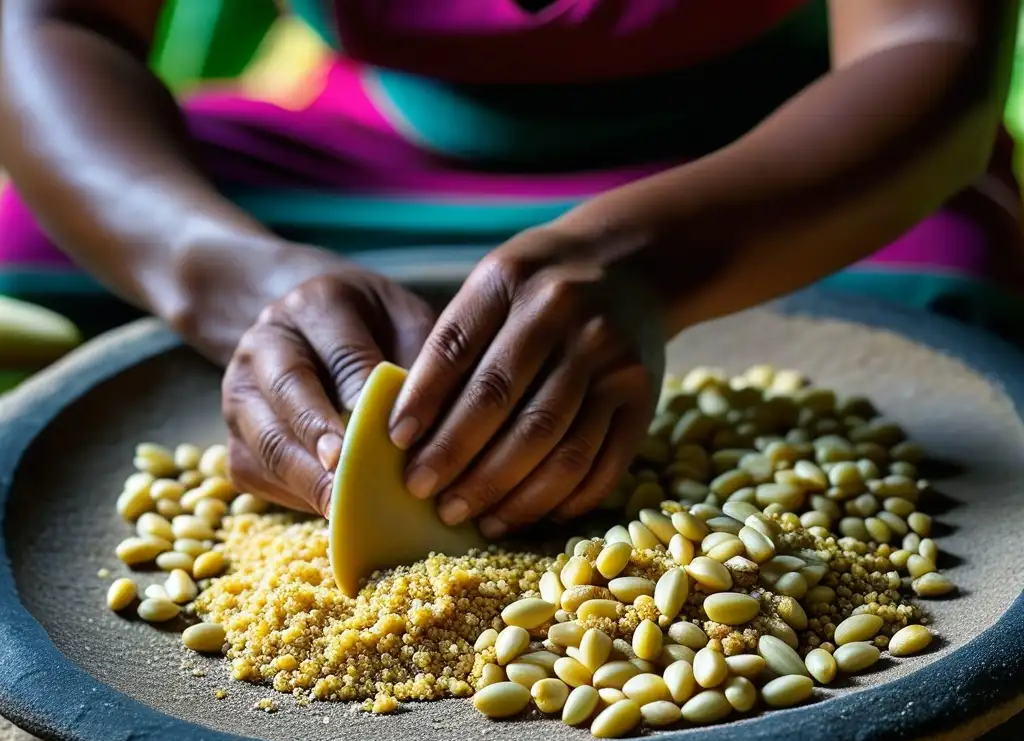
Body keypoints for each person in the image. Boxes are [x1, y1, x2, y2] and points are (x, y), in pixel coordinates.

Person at [1, 0, 1020, 537]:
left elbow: (928, 49)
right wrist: (233, 277)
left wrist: (648, 261)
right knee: (31, 234)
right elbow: (52, 22)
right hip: (372, 158)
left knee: (949, 273)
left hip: (763, 168)